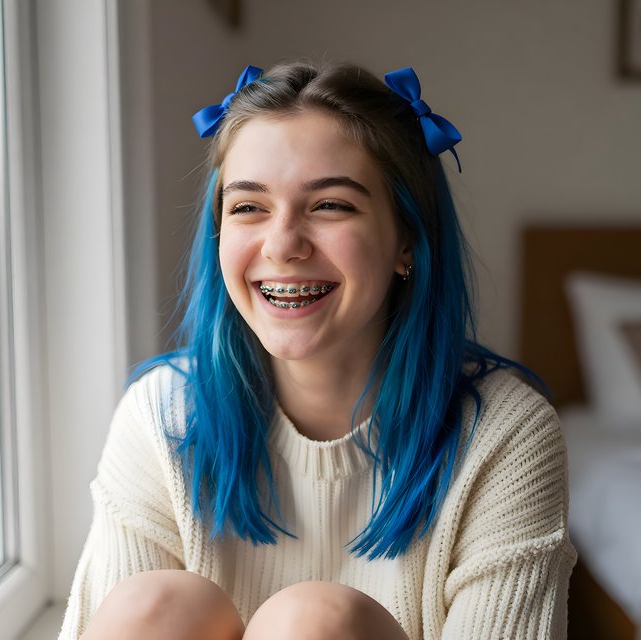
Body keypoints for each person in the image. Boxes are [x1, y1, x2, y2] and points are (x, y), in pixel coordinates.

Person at [58, 61, 576, 640]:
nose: (282, 245)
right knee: (154, 605)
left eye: (330, 205)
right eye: (248, 207)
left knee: (317, 625)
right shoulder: (162, 414)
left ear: (407, 239)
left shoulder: (505, 434)